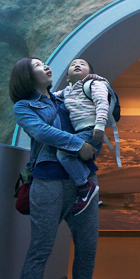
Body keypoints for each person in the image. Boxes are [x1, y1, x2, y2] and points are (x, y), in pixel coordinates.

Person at [10, 57, 99, 279]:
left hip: (84, 181)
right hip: (47, 182)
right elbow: (41, 132)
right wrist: (77, 145)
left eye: (45, 64)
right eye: (37, 66)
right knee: (40, 251)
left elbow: (96, 103)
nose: (46, 67)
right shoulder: (23, 107)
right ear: (25, 76)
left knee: (88, 248)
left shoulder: (65, 97)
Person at [54, 58, 111, 215]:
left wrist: (100, 125)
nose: (77, 65)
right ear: (67, 77)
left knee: (64, 154)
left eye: (82, 64)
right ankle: (90, 193)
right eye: (73, 65)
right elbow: (50, 97)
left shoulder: (94, 84)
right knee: (78, 160)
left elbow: (102, 102)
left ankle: (85, 186)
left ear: (90, 73)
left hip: (92, 129)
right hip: (81, 132)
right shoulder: (66, 92)